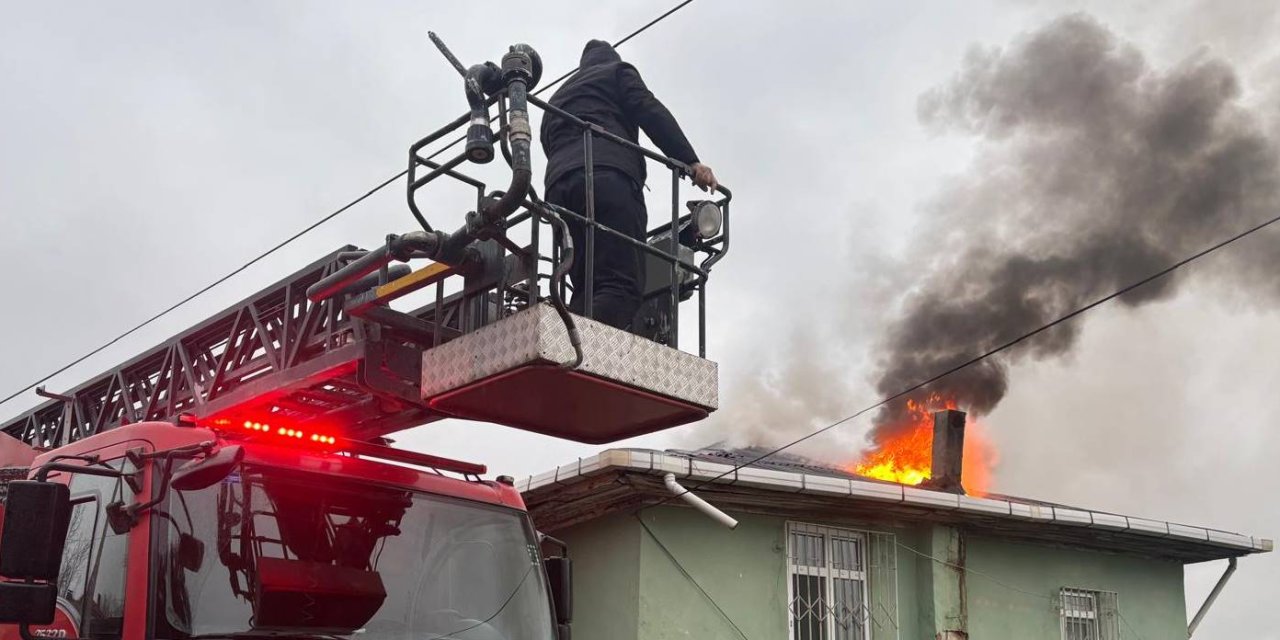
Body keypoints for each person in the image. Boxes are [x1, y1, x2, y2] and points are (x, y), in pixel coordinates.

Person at [541, 39, 717, 331]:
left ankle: (565, 339)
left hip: (558, 189)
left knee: (584, 285)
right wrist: (690, 161)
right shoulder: (617, 71)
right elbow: (648, 109)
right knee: (620, 284)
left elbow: (548, 143)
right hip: (608, 177)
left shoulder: (556, 99)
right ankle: (580, 351)